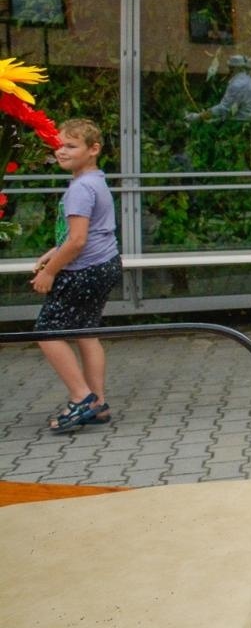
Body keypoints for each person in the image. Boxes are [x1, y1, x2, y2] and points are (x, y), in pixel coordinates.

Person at [31, 118, 123, 434]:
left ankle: (81, 397)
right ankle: (97, 403)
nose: (61, 151)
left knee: (46, 332)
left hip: (83, 270)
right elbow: (80, 234)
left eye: (71, 146)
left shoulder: (80, 188)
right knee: (86, 331)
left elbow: (78, 240)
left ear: (93, 149)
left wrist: (50, 271)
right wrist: (51, 253)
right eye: (59, 145)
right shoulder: (94, 180)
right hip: (104, 264)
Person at [188, 53, 251, 122]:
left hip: (243, 121)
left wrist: (198, 116)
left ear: (233, 69)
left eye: (230, 68)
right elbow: (232, 109)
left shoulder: (237, 84)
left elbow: (224, 108)